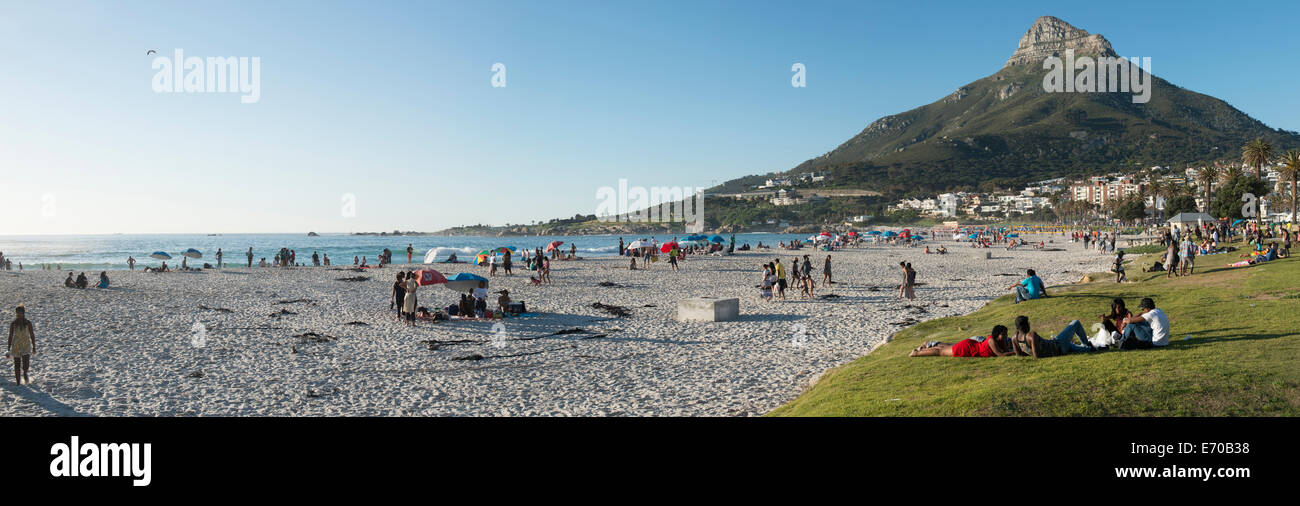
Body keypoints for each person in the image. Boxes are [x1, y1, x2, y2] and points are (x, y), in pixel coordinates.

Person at [1011, 315, 1094, 358]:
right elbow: (1037, 356)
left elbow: (1019, 355)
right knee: (1076, 323)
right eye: (1028, 323)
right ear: (1025, 326)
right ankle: (1086, 344)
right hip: (1058, 346)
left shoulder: (1014, 338)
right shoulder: (1031, 336)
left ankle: (1090, 349)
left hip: (1057, 348)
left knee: (1075, 347)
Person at [909, 325, 1013, 357]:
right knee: (941, 352)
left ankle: (924, 347)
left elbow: (1005, 350)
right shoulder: (992, 341)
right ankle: (917, 353)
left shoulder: (1000, 340)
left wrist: (1006, 345)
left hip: (972, 346)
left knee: (944, 348)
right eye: (1003, 334)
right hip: (968, 348)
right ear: (997, 334)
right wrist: (1017, 352)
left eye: (1006, 334)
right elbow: (1000, 355)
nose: (1005, 336)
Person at [8, 305, 35, 385]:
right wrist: (8, 348)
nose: (19, 315)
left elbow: (32, 334)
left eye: (20, 313)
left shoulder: (28, 323)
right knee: (17, 364)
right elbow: (10, 335)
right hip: (16, 345)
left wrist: (34, 346)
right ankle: (18, 382)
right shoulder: (13, 323)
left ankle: (25, 373)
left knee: (26, 363)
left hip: (26, 344)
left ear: (23, 313)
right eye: (17, 314)